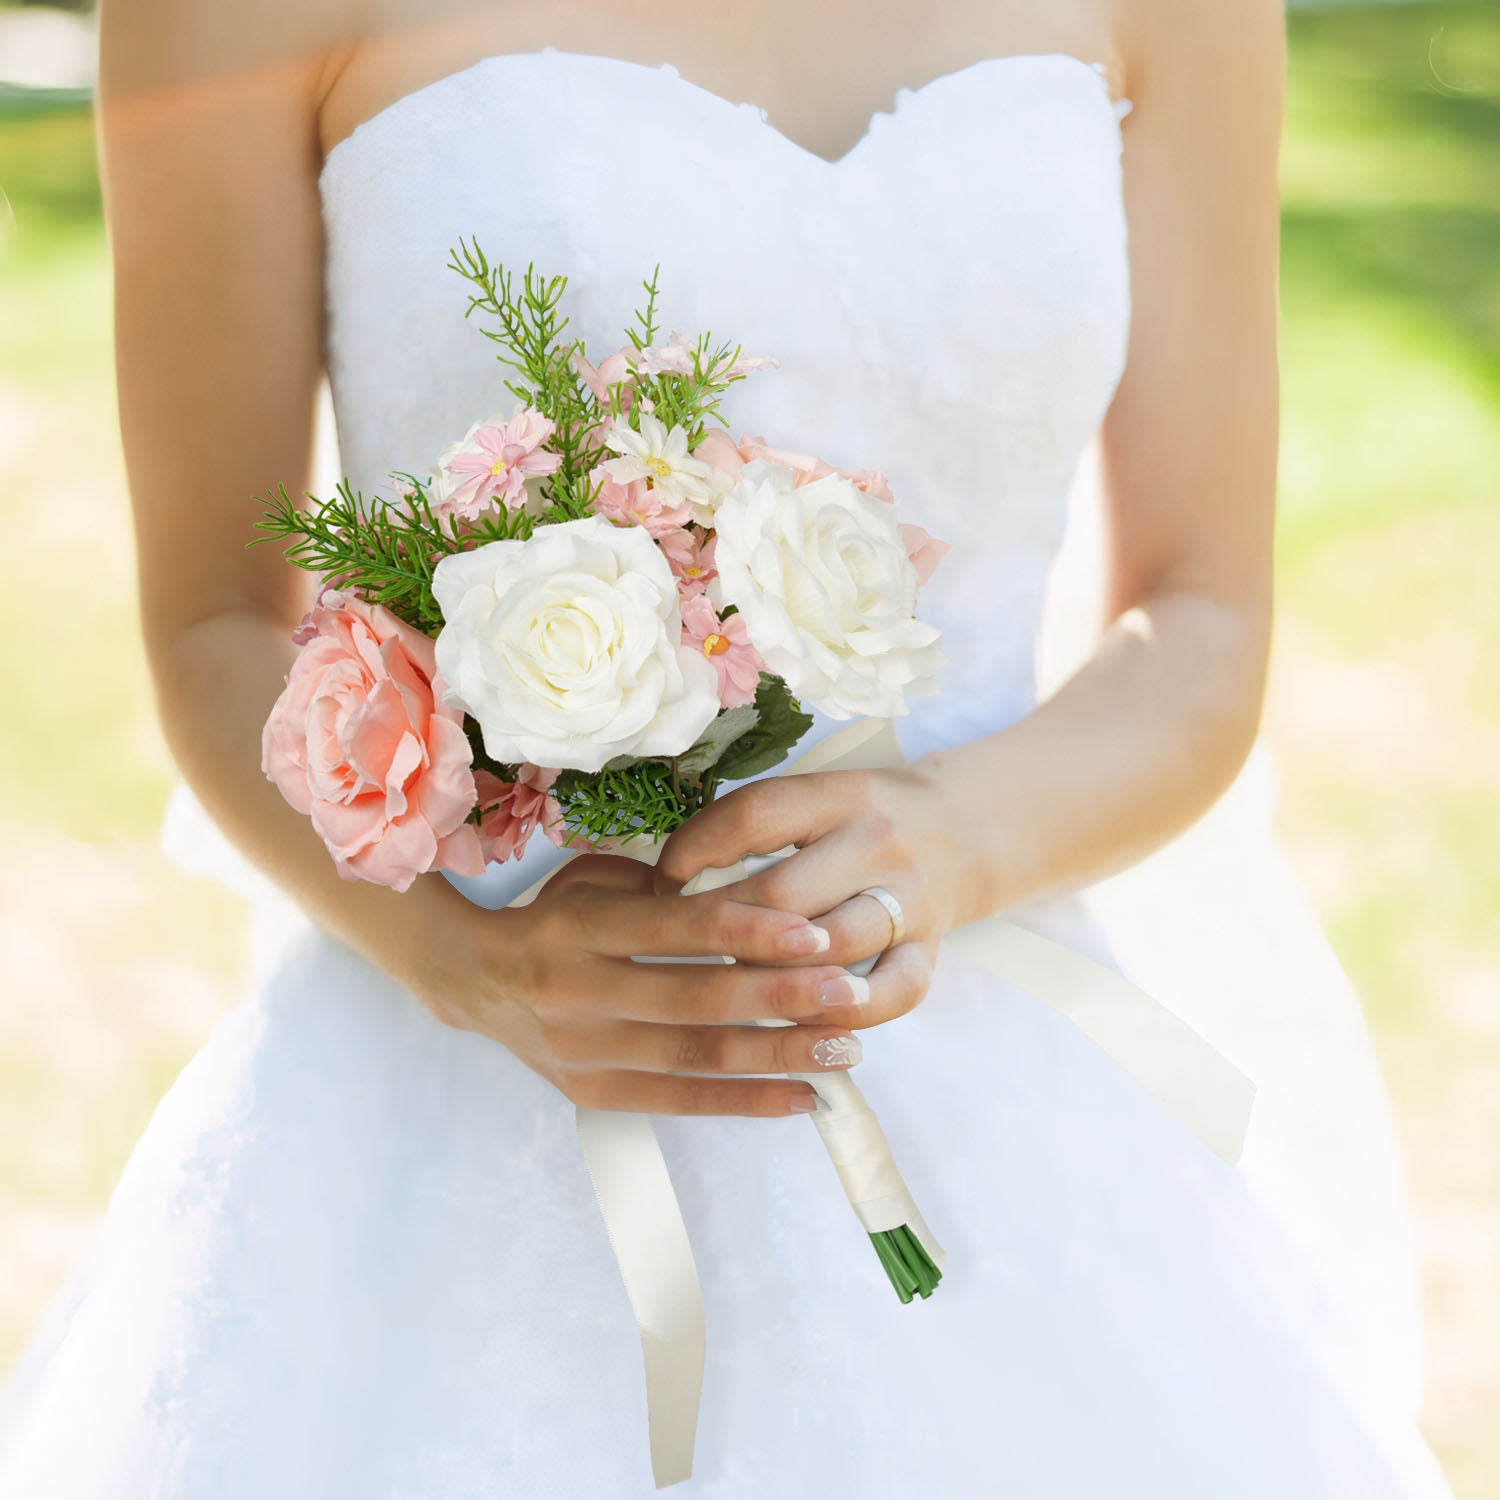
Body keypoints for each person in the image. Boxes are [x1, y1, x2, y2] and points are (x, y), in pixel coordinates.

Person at [0, 0, 1460, 1494]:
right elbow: (213, 627)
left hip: (997, 1084)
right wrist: (466, 963)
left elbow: (1204, 615)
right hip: (472, 1085)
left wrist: (954, 840)